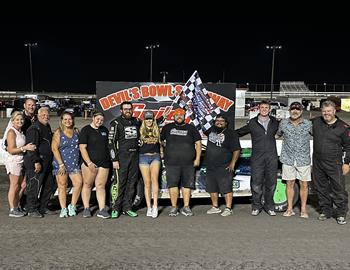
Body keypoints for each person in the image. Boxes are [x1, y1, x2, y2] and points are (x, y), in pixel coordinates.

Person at [236, 100, 279, 216]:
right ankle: (256, 206)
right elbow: (239, 132)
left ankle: (269, 206)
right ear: (258, 109)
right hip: (257, 158)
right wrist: (224, 133)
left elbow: (285, 131)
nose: (264, 109)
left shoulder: (275, 122)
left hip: (271, 157)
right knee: (256, 184)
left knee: (271, 184)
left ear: (270, 109)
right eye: (262, 107)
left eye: (266, 107)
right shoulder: (252, 123)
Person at [312, 100, 350, 225]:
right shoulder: (316, 122)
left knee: (338, 188)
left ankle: (341, 213)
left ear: (334, 111)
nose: (326, 113)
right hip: (318, 162)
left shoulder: (343, 127)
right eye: (324, 111)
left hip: (335, 163)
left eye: (329, 111)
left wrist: (346, 163)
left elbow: (349, 146)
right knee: (321, 187)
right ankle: (326, 211)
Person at [160, 108, 202, 217]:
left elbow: (198, 143)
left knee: (187, 185)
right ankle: (174, 207)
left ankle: (186, 207)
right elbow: (160, 140)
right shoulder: (167, 127)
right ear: (173, 116)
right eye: (177, 115)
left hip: (188, 163)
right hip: (171, 162)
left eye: (181, 115)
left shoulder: (191, 128)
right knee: (172, 185)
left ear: (185, 116)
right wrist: (161, 151)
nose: (179, 116)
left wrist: (197, 158)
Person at [276, 102, 312, 218]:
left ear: (301, 111)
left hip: (303, 159)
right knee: (289, 183)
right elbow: (277, 135)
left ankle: (303, 210)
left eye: (297, 109)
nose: (295, 111)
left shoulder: (308, 124)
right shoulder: (283, 123)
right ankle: (290, 209)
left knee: (304, 184)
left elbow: (319, 135)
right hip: (288, 158)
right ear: (289, 111)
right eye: (293, 109)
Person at [108, 102, 141, 218]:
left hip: (135, 157)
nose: (128, 111)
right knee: (120, 183)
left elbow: (149, 125)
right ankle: (115, 208)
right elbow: (111, 143)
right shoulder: (116, 123)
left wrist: (161, 119)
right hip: (121, 158)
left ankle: (127, 208)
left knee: (131, 184)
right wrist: (114, 159)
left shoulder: (137, 121)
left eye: (130, 109)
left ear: (132, 110)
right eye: (125, 109)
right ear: (121, 110)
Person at [204, 114, 241, 217]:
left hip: (224, 165)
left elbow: (237, 149)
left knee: (226, 187)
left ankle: (228, 208)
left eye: (222, 121)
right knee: (212, 188)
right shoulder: (211, 131)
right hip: (211, 165)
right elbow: (201, 126)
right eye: (217, 121)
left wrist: (232, 163)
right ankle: (215, 207)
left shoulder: (231, 133)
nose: (219, 122)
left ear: (226, 123)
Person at [24, 107, 56, 218]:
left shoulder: (46, 127)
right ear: (38, 115)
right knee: (34, 185)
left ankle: (43, 207)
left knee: (49, 185)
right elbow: (32, 147)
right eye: (43, 115)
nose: (46, 116)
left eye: (47, 115)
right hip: (37, 162)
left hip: (47, 162)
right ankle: (31, 208)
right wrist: (36, 161)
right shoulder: (34, 128)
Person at [79, 111, 111, 219]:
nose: (99, 121)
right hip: (90, 163)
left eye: (101, 120)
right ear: (93, 118)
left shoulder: (104, 130)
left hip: (104, 163)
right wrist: (89, 163)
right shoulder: (86, 130)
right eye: (97, 119)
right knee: (87, 185)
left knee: (100, 186)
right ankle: (86, 208)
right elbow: (82, 148)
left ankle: (102, 209)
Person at [4, 111, 36, 217]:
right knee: (14, 185)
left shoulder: (20, 132)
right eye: (17, 120)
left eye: (21, 119)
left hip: (20, 161)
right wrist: (25, 148)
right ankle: (12, 209)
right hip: (13, 161)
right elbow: (11, 150)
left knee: (20, 185)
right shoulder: (11, 132)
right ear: (12, 121)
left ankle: (17, 206)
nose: (20, 121)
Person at [52, 112, 83, 218]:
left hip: (74, 164)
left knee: (79, 183)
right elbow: (54, 149)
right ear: (61, 120)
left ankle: (72, 206)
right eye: (65, 119)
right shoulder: (58, 132)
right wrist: (61, 164)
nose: (67, 121)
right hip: (61, 164)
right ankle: (63, 208)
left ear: (73, 120)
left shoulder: (76, 131)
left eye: (69, 119)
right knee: (62, 186)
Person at [139, 110, 164, 218]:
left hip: (155, 156)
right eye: (147, 119)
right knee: (147, 183)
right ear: (144, 120)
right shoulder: (139, 127)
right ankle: (148, 207)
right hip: (143, 157)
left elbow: (159, 120)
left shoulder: (156, 128)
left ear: (153, 119)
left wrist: (162, 151)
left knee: (154, 180)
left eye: (151, 119)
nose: (149, 121)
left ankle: (155, 206)